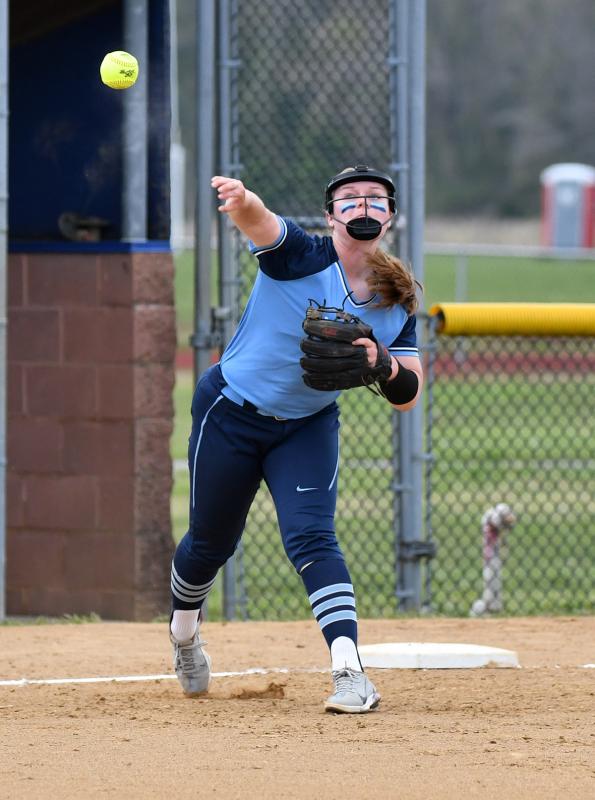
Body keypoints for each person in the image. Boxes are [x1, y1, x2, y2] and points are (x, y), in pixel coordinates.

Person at [169, 164, 423, 713]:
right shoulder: (302, 257)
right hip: (231, 411)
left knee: (312, 538)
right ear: (331, 215)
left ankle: (350, 673)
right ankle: (185, 633)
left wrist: (382, 365)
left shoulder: (396, 299)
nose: (363, 206)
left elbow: (408, 393)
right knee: (211, 543)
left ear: (391, 217)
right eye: (349, 199)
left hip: (306, 426)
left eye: (375, 199)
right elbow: (261, 223)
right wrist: (241, 199)